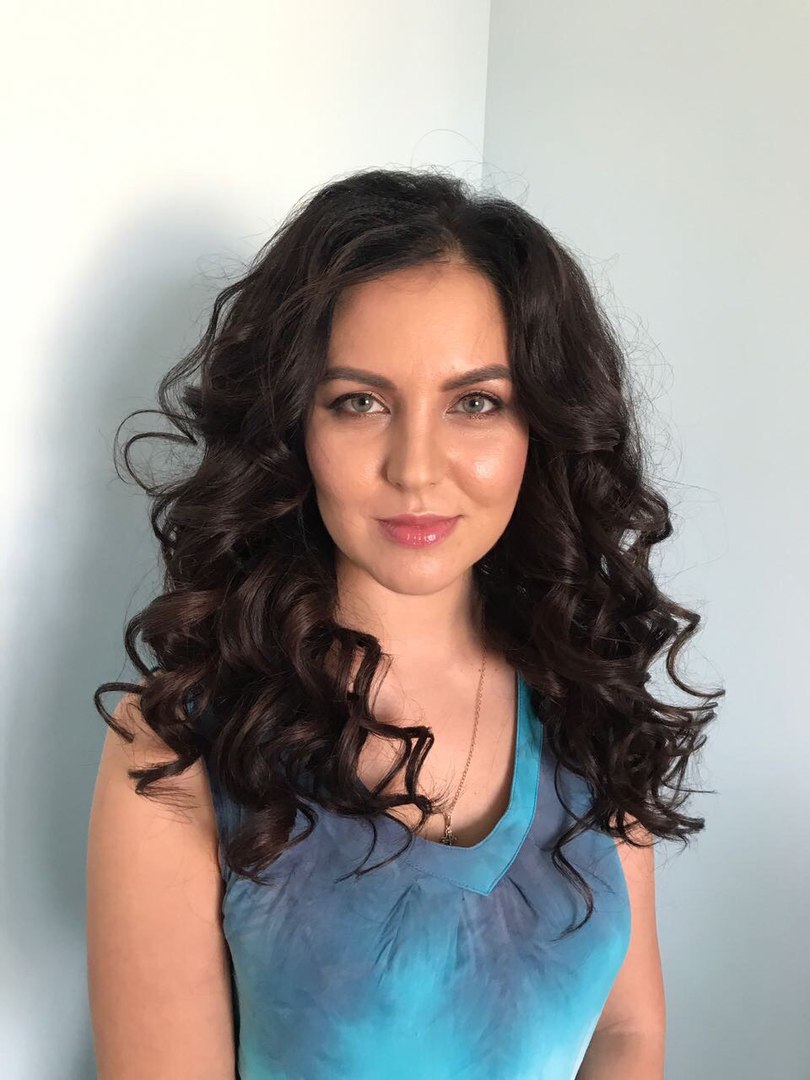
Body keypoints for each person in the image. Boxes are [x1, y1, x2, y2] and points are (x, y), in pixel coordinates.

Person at [86, 167, 723, 1079]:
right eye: (360, 402)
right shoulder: (180, 742)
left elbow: (626, 1032)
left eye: (476, 402)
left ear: (540, 427)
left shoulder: (588, 694)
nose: (416, 469)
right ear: (293, 427)